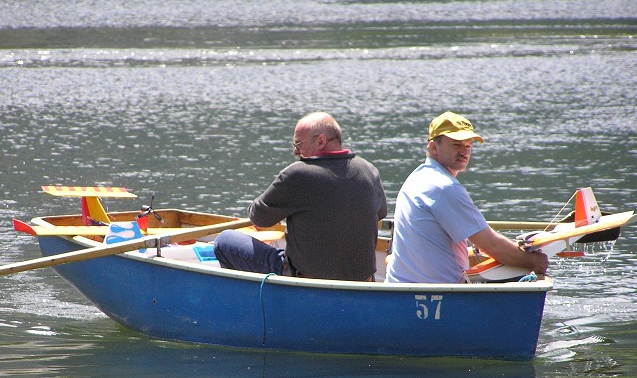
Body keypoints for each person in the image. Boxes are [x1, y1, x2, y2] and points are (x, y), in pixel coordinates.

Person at [214, 112, 387, 281]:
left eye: (298, 144)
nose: (296, 152)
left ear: (321, 141)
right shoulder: (369, 170)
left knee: (224, 241)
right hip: (363, 281)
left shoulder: (298, 174)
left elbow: (258, 217)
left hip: (306, 280)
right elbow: (380, 213)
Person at [385, 111, 548, 283]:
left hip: (403, 288)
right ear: (434, 148)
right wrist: (535, 261)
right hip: (433, 294)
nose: (464, 152)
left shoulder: (417, 177)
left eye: (468, 146)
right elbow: (491, 244)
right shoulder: (444, 187)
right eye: (456, 145)